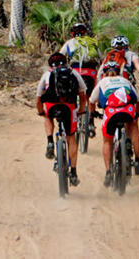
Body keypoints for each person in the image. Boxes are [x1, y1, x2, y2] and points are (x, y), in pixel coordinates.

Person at [36, 51, 87, 186]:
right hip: (68, 108)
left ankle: (50, 142)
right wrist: (81, 109)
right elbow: (82, 95)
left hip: (51, 107)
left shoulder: (47, 75)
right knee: (71, 138)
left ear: (50, 65)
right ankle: (74, 173)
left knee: (47, 117)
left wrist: (41, 112)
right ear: (65, 62)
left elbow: (39, 97)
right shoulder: (73, 73)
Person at [89, 60, 139, 187]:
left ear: (104, 73)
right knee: (133, 125)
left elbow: (91, 101)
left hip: (110, 113)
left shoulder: (103, 82)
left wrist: (93, 114)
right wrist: (137, 114)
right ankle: (137, 160)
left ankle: (108, 171)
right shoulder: (125, 81)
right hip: (127, 112)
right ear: (119, 71)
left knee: (107, 141)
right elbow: (138, 100)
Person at [60, 22, 101, 137]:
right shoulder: (92, 42)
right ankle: (91, 123)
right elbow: (101, 58)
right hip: (91, 72)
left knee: (72, 94)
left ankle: (71, 117)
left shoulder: (69, 43)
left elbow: (60, 56)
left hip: (76, 71)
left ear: (72, 33)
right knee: (90, 97)